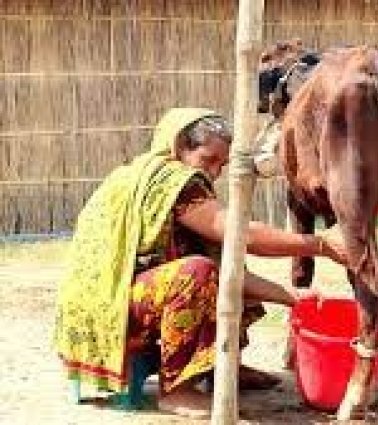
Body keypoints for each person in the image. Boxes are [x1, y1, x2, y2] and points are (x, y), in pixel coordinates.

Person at [53, 108, 348, 418]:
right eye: (209, 160)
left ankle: (225, 366)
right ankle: (178, 391)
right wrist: (322, 244)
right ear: (180, 146)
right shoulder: (172, 182)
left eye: (222, 164)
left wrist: (292, 297)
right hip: (111, 307)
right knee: (197, 272)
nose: (215, 173)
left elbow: (230, 271)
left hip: (129, 296)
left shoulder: (151, 179)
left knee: (223, 265)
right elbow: (239, 234)